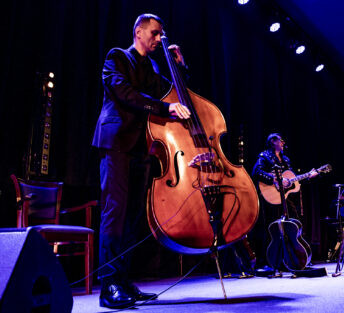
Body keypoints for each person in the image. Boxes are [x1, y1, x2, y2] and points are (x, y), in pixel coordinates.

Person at [92, 13, 191, 309]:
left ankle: (122, 281)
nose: (159, 39)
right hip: (116, 143)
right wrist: (164, 108)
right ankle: (109, 285)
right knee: (115, 212)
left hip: (142, 149)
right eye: (155, 33)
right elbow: (125, 94)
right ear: (138, 31)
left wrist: (180, 67)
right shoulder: (117, 57)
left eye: (161, 34)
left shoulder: (153, 67)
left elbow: (174, 93)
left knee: (135, 215)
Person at [251, 133, 317, 273]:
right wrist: (274, 179)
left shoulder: (286, 160)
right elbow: (256, 172)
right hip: (270, 197)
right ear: (273, 141)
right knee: (272, 228)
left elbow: (292, 180)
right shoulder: (265, 156)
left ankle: (298, 259)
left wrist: (308, 176)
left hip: (284, 198)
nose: (282, 143)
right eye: (280, 140)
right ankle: (269, 261)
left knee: (294, 223)